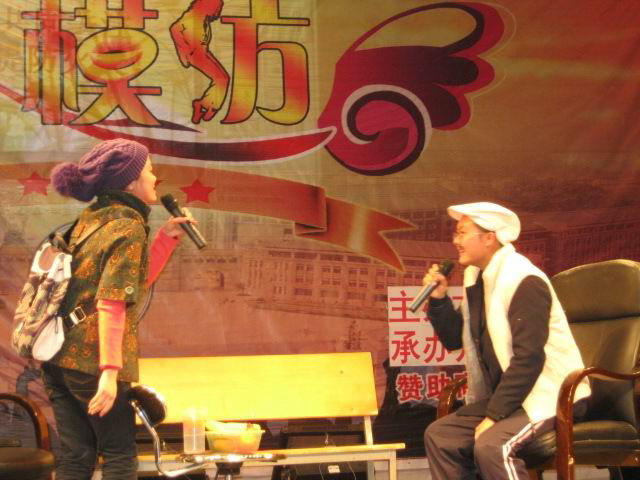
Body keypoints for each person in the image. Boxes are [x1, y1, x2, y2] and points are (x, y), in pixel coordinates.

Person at [42, 138, 194, 479]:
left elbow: (129, 284)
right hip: (91, 362)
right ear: (130, 182)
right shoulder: (128, 225)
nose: (155, 178)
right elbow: (111, 302)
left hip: (57, 358)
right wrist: (109, 373)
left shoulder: (94, 217)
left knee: (76, 457)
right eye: (150, 171)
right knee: (119, 456)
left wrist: (167, 237)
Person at [422, 202, 591, 480]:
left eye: (462, 233)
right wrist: (438, 299)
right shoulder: (477, 278)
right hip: (514, 397)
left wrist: (494, 416)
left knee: (493, 445)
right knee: (440, 436)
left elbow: (529, 359)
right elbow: (455, 339)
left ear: (489, 238)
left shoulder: (523, 279)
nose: (456, 241)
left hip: (549, 395)